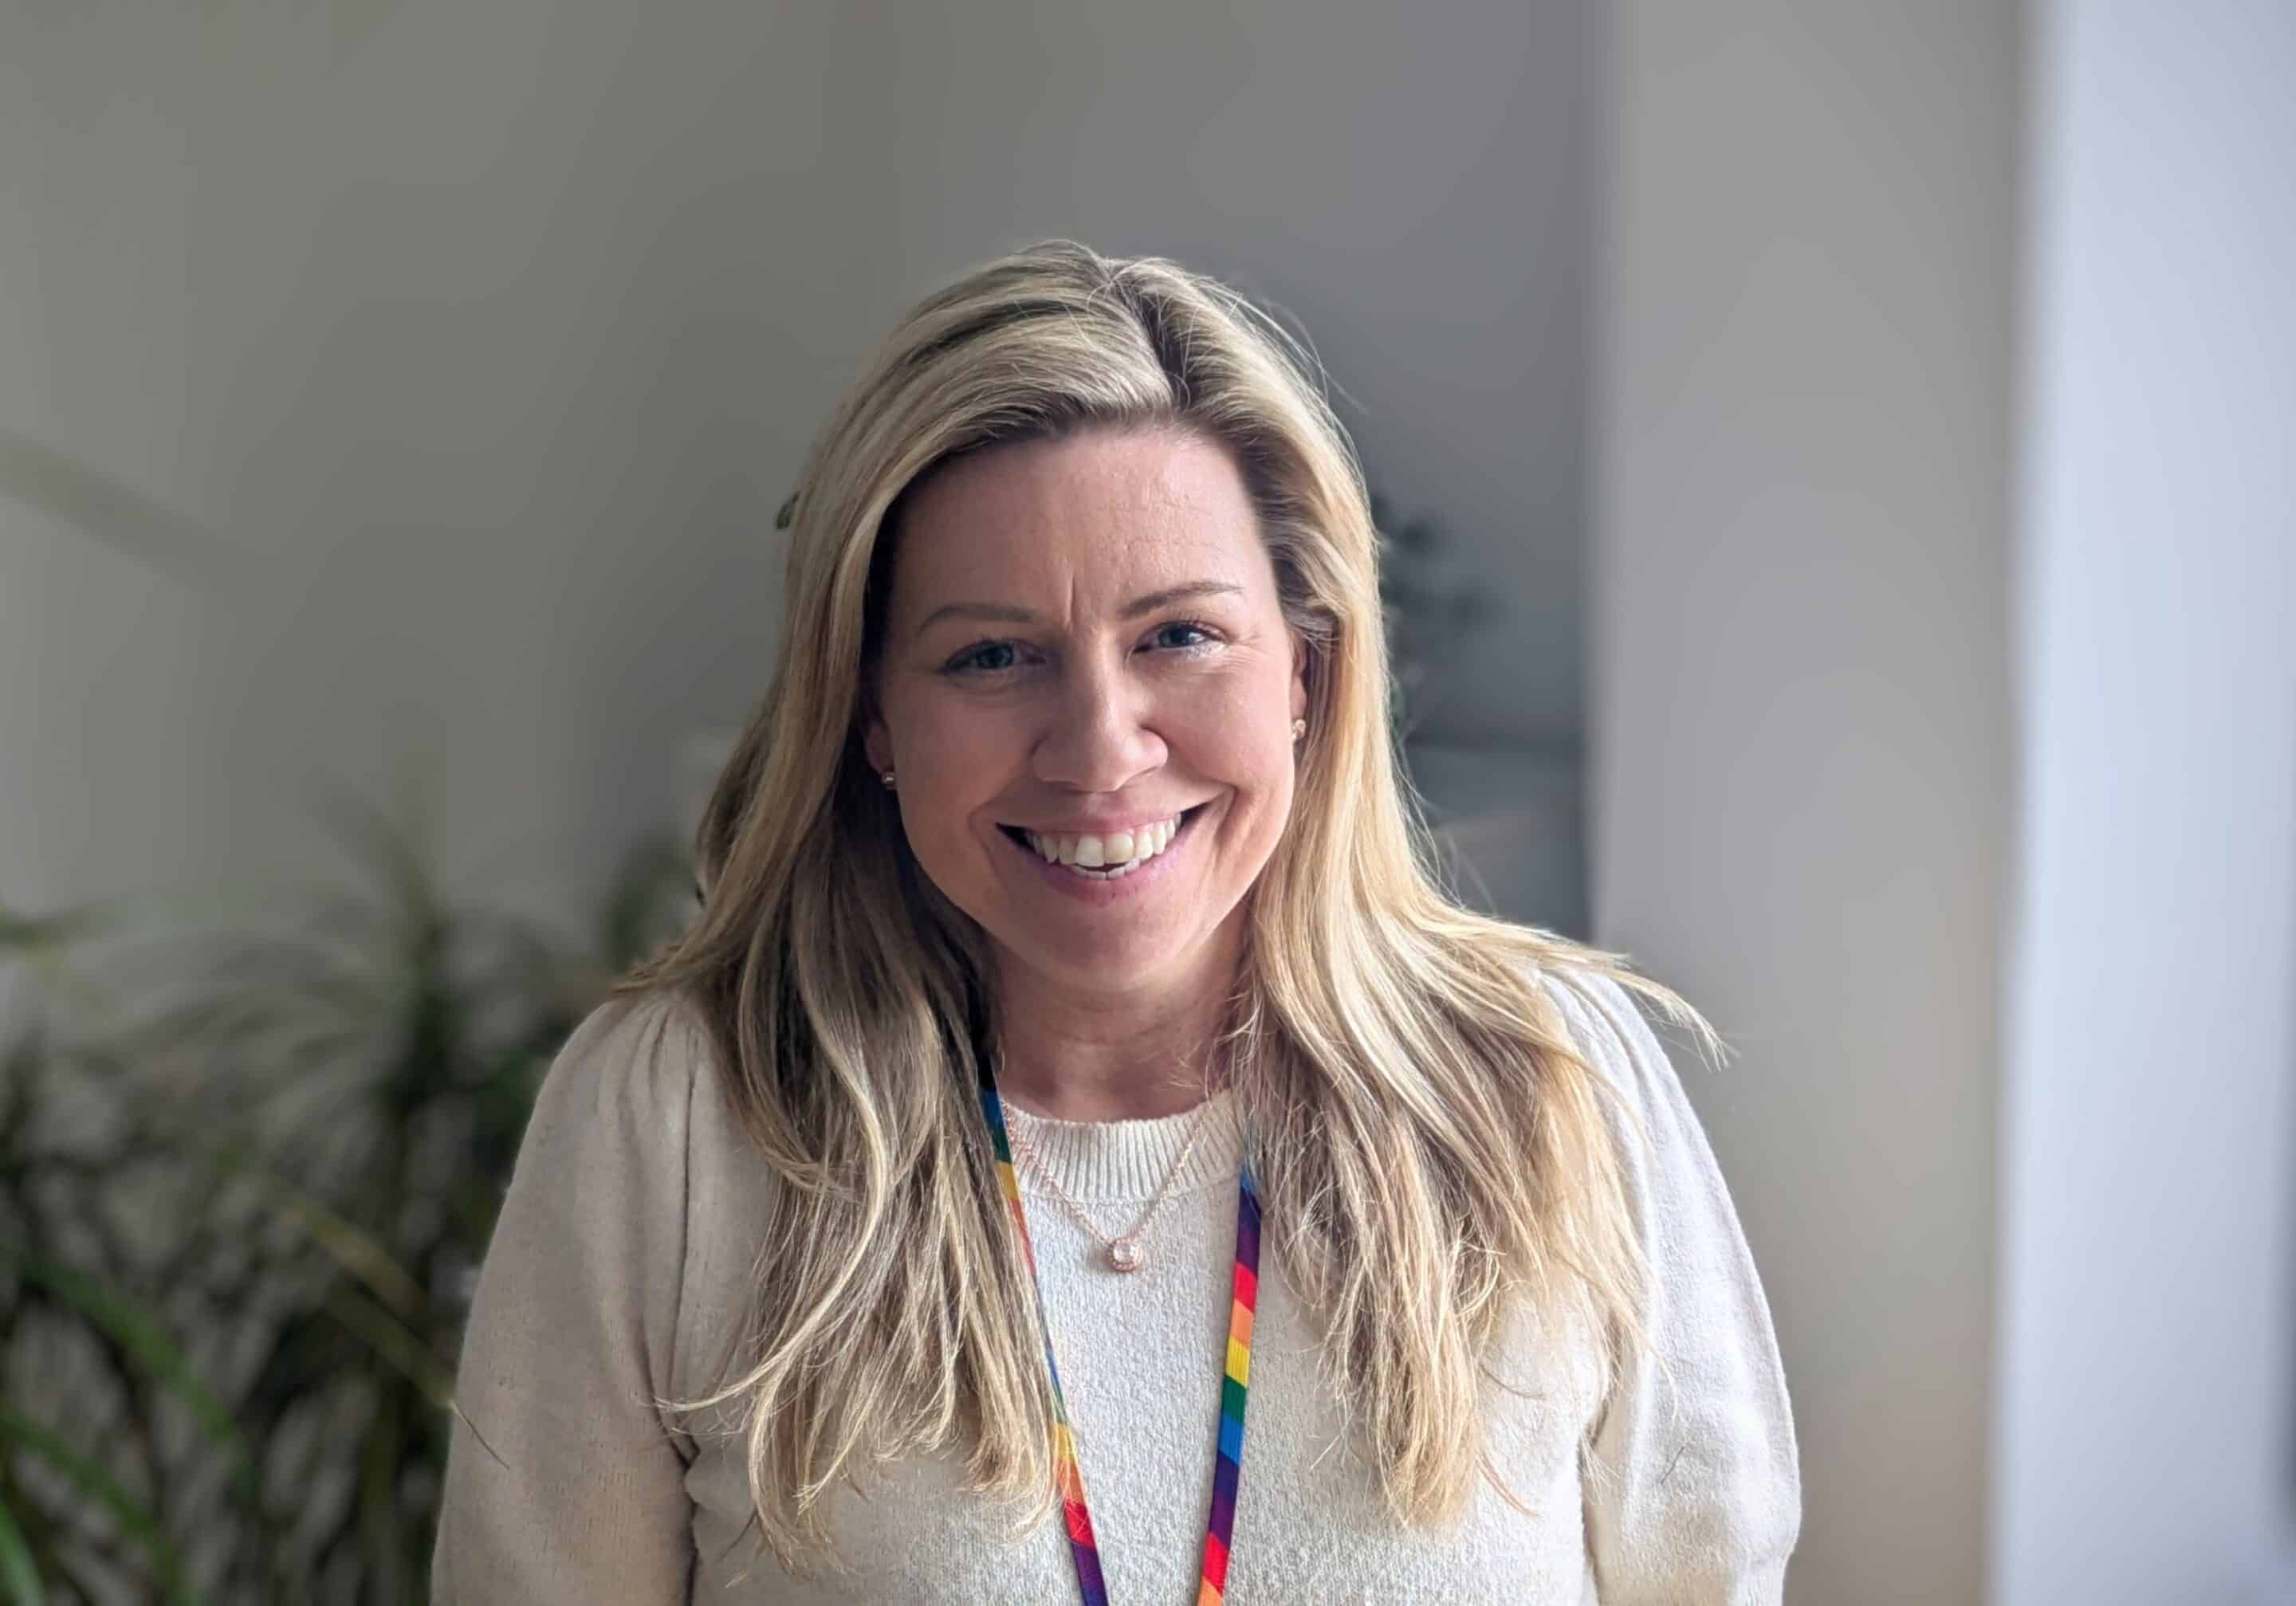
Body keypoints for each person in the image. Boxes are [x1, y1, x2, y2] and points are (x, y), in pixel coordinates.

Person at [431, 240, 1801, 1603]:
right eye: (992, 656)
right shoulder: (677, 1121)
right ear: (875, 718)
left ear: (1307, 676)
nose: (1098, 749)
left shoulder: (1557, 1084)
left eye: (1180, 637)